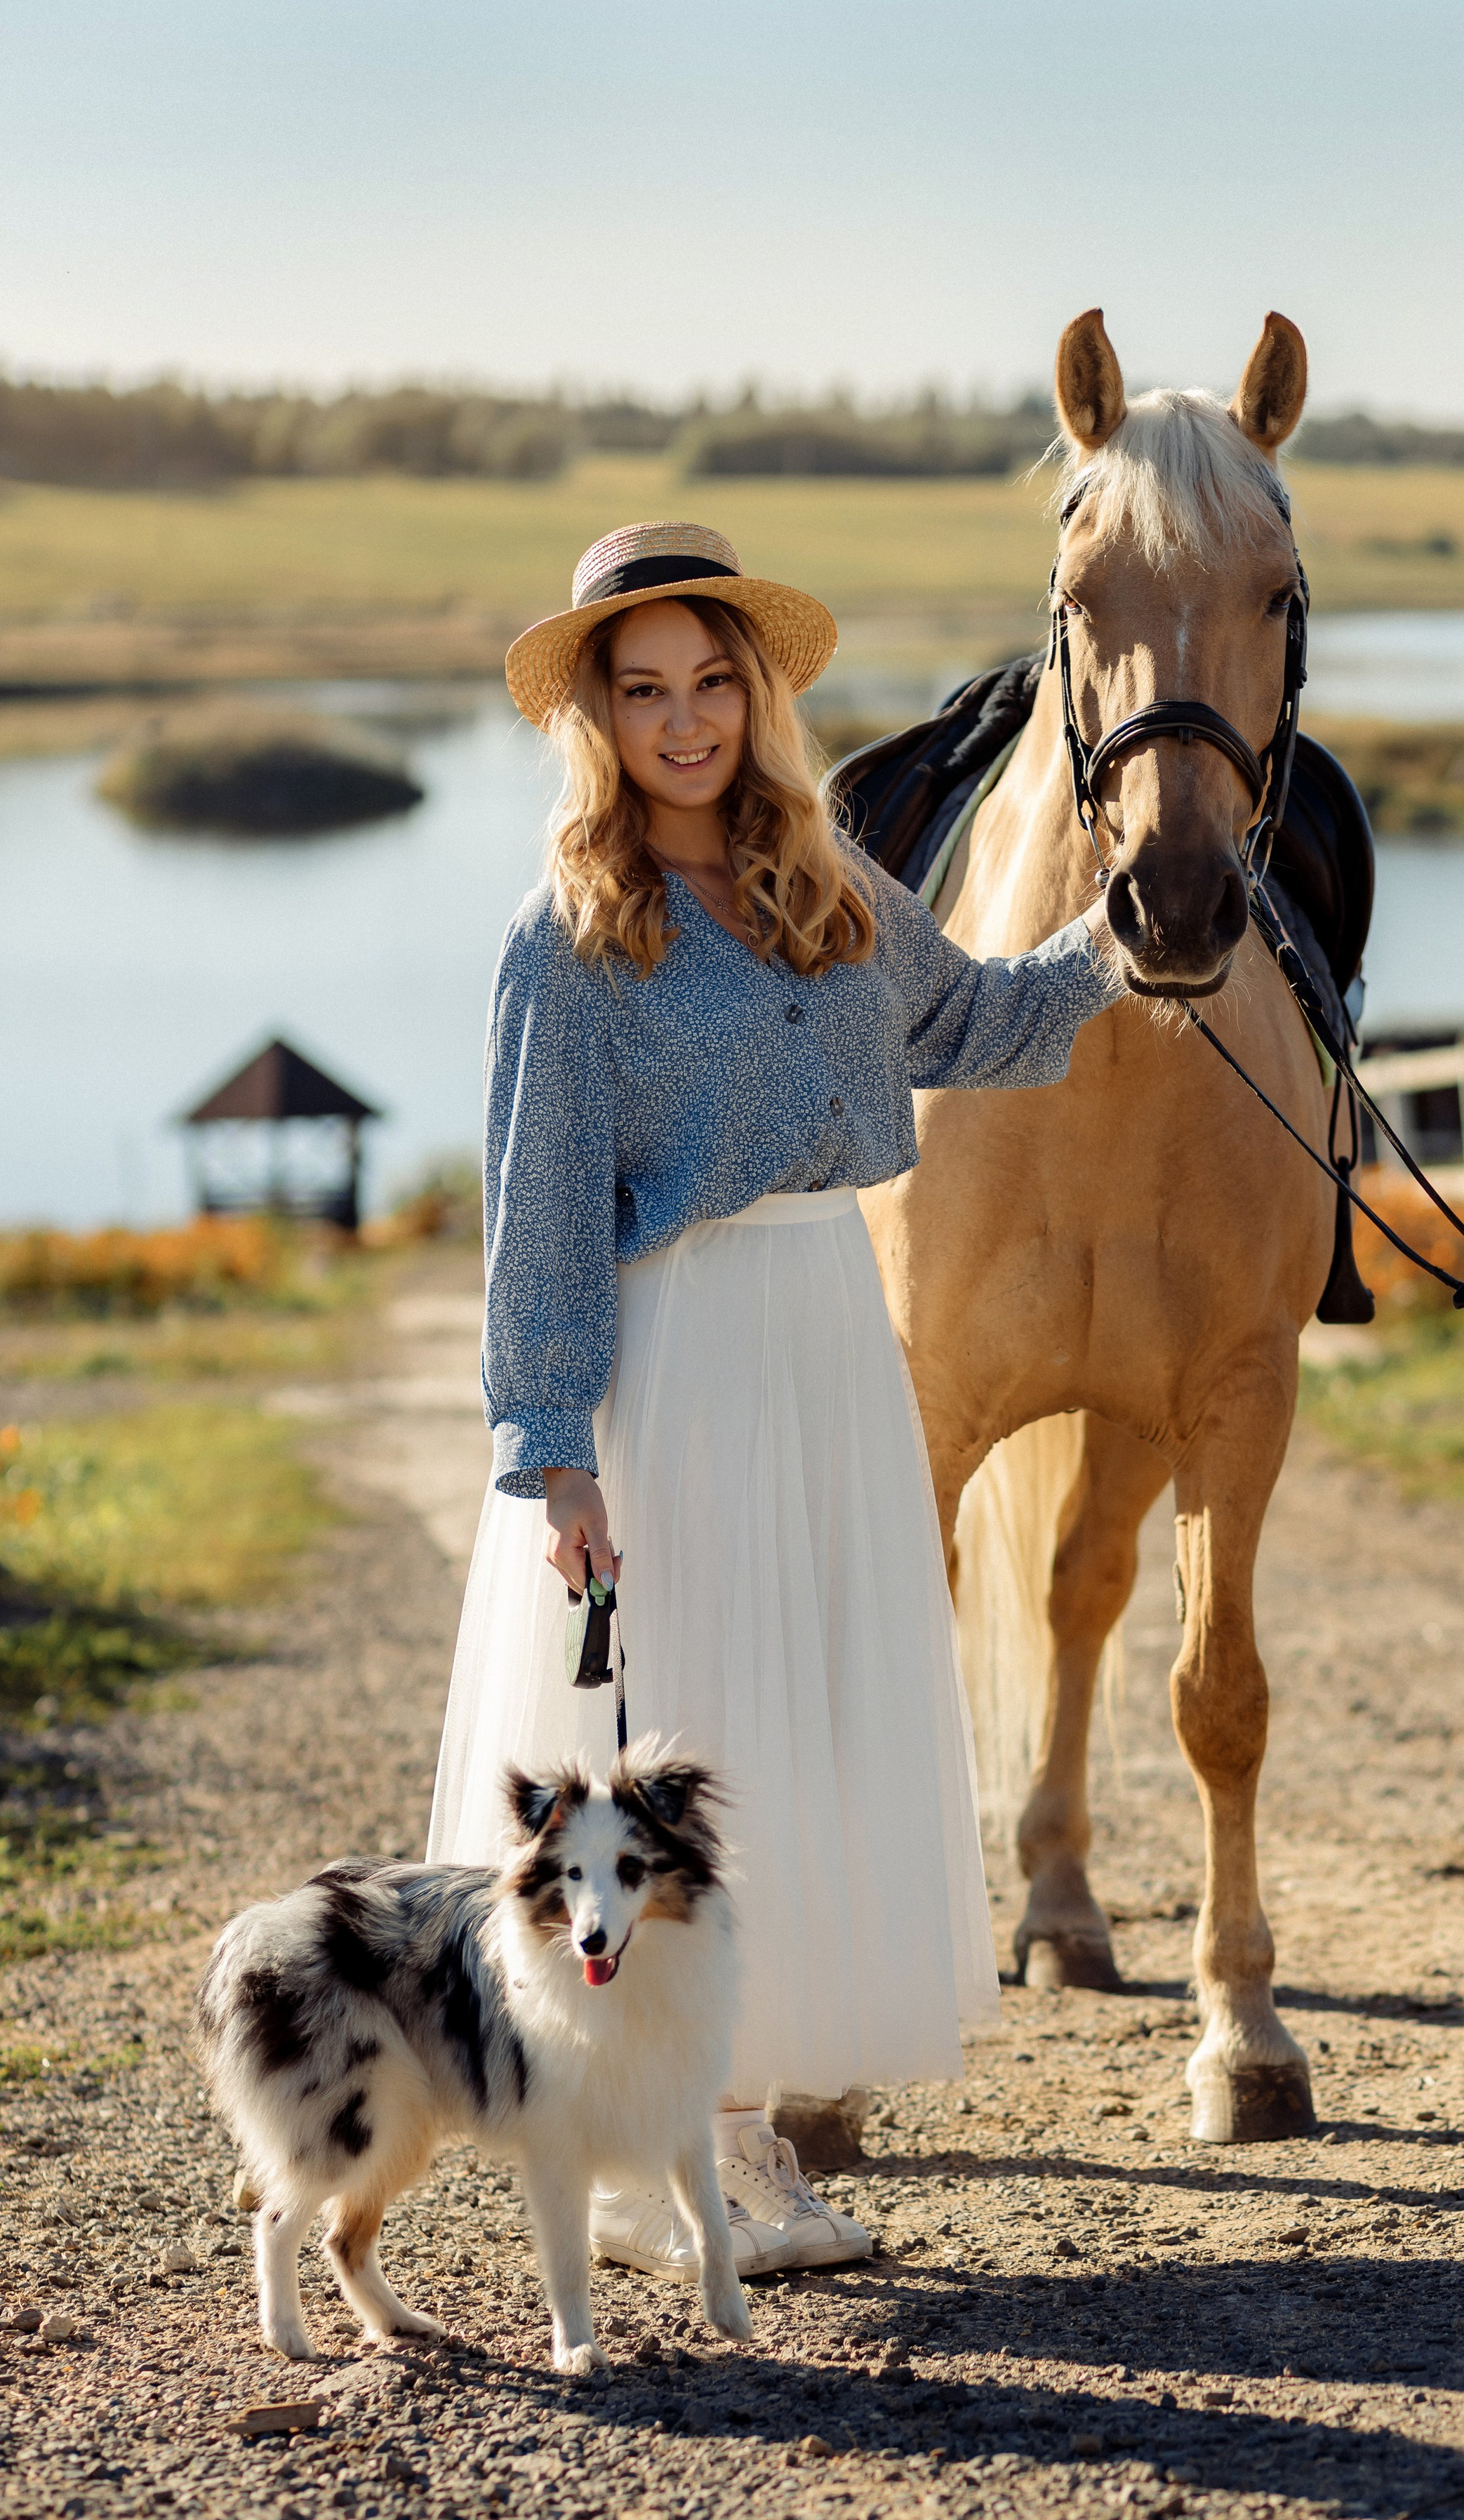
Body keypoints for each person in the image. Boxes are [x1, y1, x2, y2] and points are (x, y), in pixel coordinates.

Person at [428, 519, 1124, 2278]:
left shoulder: (823, 880)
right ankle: (691, 2157)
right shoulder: (566, 939)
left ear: (755, 692)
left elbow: (966, 1019)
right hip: (687, 1360)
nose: (684, 722)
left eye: (711, 681)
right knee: (699, 1728)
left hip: (827, 1332)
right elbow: (537, 1221)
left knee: (804, 1731)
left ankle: (732, 2141)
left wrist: (1117, 942)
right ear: (596, 713)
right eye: (644, 690)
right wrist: (553, 1449)